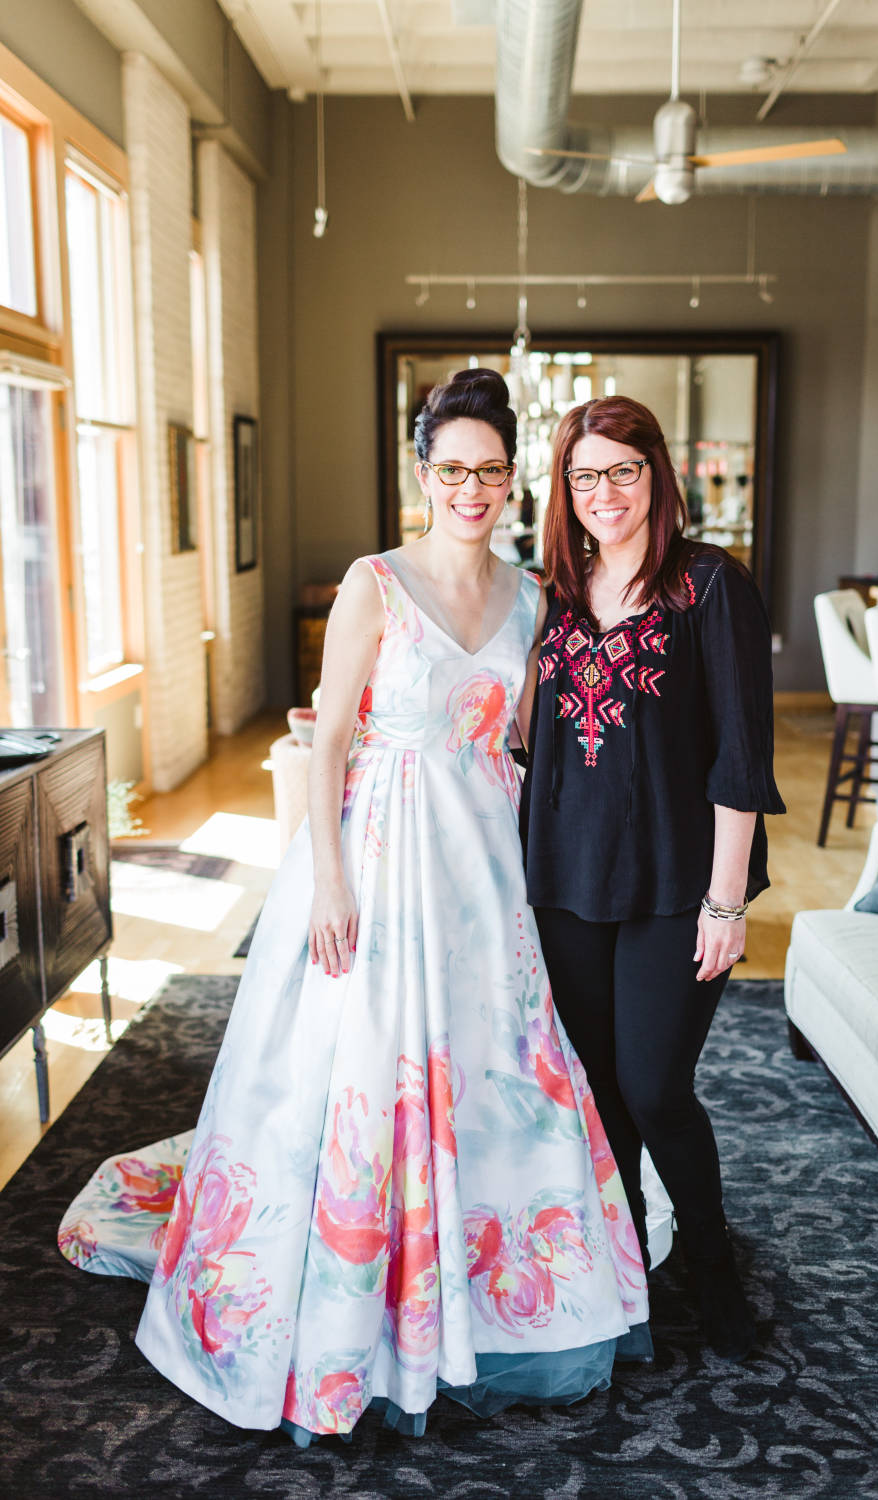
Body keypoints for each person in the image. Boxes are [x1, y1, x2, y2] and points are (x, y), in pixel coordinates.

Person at [57, 369, 649, 1444]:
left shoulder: (528, 597)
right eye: (452, 469)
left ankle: (499, 1296)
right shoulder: (373, 582)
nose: (471, 488)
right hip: (378, 851)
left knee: (499, 1065)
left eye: (490, 471)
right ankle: (354, 1312)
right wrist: (328, 881)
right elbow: (329, 741)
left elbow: (526, 741)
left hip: (484, 860)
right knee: (366, 1070)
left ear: (512, 480)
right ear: (424, 473)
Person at [519, 395, 785, 1361]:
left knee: (657, 1085)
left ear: (657, 475)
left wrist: (725, 901)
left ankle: (713, 1275)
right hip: (567, 878)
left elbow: (742, 758)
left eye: (622, 471)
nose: (604, 494)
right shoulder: (552, 591)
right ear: (565, 489)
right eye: (584, 476)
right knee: (600, 1091)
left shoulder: (710, 586)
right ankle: (627, 1266)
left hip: (680, 881)